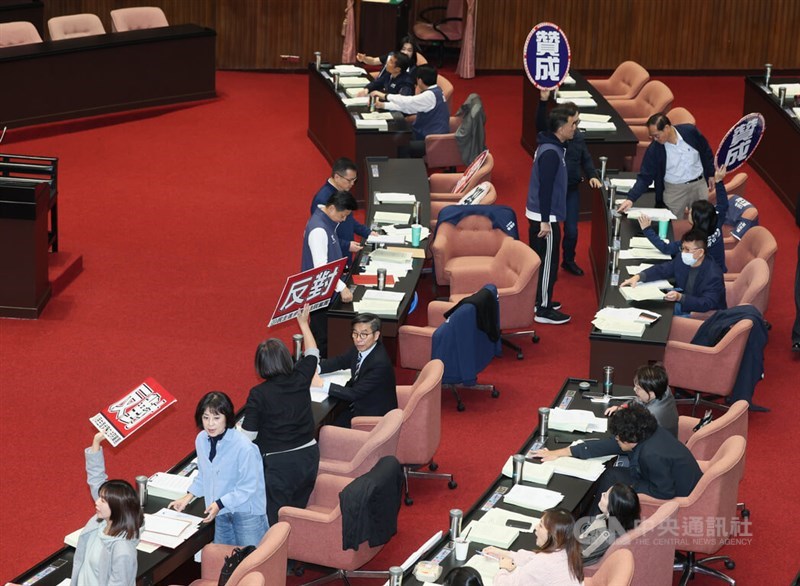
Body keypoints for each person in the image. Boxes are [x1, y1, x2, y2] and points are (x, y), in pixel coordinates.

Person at [241, 305, 320, 526]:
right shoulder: (301, 376)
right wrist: (304, 324)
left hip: (279, 465)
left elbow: (248, 437)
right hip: (309, 456)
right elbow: (313, 352)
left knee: (277, 520)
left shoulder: (259, 394)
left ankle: (280, 559)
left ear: (260, 366)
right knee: (296, 512)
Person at [534, 403, 703, 501]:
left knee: (612, 477)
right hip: (673, 481)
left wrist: (630, 487)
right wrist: (560, 452)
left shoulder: (651, 454)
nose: (615, 440)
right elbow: (605, 446)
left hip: (680, 497)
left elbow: (664, 492)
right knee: (612, 474)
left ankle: (594, 525)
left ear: (630, 439)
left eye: (618, 438)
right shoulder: (646, 432)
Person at [170, 392, 268, 547]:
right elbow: (204, 475)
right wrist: (188, 497)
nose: (210, 424)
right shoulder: (202, 439)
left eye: (216, 418)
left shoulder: (245, 447)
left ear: (227, 418)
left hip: (246, 513)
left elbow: (247, 488)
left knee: (251, 562)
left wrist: (220, 504)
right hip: (221, 511)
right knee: (223, 561)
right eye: (206, 417)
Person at [537, 90, 602, 276]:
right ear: (563, 125)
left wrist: (592, 175)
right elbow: (539, 124)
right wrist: (542, 101)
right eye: (574, 123)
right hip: (554, 192)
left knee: (572, 231)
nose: (577, 127)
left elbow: (586, 158)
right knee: (551, 232)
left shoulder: (578, 137)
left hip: (571, 190)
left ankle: (568, 260)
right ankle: (548, 265)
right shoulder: (554, 138)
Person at [527, 107, 578, 325]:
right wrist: (546, 221)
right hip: (544, 217)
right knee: (548, 263)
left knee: (545, 260)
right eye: (573, 123)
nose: (576, 127)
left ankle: (540, 298)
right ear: (560, 128)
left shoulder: (551, 146)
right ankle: (543, 308)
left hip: (543, 214)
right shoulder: (551, 152)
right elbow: (545, 189)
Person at [71, 432, 143, 586]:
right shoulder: (103, 522)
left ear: (116, 508)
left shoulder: (122, 551)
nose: (96, 502)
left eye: (102, 500)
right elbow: (96, 479)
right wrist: (96, 441)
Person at [617, 112, 715, 217]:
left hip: (699, 185)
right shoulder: (654, 150)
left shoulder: (690, 132)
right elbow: (645, 177)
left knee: (702, 222)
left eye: (657, 135)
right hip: (674, 190)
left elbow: (705, 151)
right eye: (652, 136)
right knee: (671, 226)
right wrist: (631, 199)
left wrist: (710, 173)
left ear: (667, 128)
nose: (655, 139)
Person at [639, 165, 730, 272]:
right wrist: (718, 181)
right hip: (718, 269)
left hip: (704, 278)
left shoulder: (693, 240)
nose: (689, 211)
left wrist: (647, 229)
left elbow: (666, 248)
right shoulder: (716, 219)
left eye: (691, 212)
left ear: (696, 220)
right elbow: (723, 204)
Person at [315, 312, 397, 428]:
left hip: (372, 417)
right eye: (355, 334)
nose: (358, 339)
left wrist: (321, 384)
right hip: (359, 405)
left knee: (326, 428)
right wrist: (317, 369)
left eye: (364, 335)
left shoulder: (379, 363)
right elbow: (341, 361)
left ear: (376, 335)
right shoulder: (362, 348)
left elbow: (354, 394)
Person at [302, 190, 358, 357]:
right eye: (342, 215)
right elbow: (322, 268)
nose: (344, 219)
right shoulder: (319, 229)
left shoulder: (326, 218)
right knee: (322, 339)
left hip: (328, 290)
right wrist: (341, 287)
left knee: (323, 335)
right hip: (320, 293)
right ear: (332, 208)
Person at [621, 228, 726, 316]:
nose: (683, 252)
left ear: (700, 252)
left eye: (687, 249)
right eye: (682, 248)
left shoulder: (713, 274)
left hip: (700, 313)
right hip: (682, 299)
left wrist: (680, 297)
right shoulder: (682, 258)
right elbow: (663, 269)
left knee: (658, 313)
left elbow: (706, 303)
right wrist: (639, 277)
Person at [485, 508, 583, 586]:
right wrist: (505, 554)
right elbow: (532, 557)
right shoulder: (568, 550)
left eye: (540, 526)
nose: (535, 527)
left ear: (552, 535)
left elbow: (504, 584)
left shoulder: (542, 563)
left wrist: (503, 569)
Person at [376, 64, 450, 158]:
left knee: (399, 145)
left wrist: (385, 96)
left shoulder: (429, 96)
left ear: (419, 80)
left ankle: (406, 170)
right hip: (426, 134)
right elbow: (410, 107)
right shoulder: (437, 91)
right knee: (396, 136)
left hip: (430, 140)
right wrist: (383, 105)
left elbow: (408, 101)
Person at [310, 158, 374, 262]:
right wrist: (346, 245)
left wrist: (367, 232)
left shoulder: (343, 190)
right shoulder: (322, 200)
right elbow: (323, 236)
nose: (352, 184)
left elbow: (349, 220)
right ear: (337, 177)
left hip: (344, 251)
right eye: (349, 180)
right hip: (333, 256)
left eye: (355, 180)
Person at [604, 363, 678, 437]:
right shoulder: (662, 389)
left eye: (638, 388)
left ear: (651, 393)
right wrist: (622, 408)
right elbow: (639, 401)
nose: (634, 389)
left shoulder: (652, 416)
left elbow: (635, 436)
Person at [578, 483, 640, 566]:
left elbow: (581, 555)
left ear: (611, 508)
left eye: (605, 496)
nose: (602, 493)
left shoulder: (605, 535)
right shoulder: (620, 520)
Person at [356, 35, 425, 78]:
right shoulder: (391, 56)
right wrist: (364, 59)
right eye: (403, 49)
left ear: (413, 53)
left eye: (409, 50)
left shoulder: (413, 69)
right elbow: (374, 61)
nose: (406, 53)